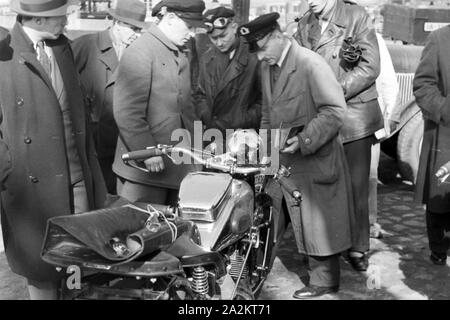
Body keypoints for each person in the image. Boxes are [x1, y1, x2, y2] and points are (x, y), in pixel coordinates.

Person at [239, 12, 354, 299]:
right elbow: (267, 114)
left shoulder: (310, 63)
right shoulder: (267, 68)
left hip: (313, 157)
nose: (259, 57)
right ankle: (252, 273)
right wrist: (265, 150)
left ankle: (324, 281)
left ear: (278, 37)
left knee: (318, 221)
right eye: (255, 51)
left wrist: (304, 139)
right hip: (282, 160)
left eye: (262, 48)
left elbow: (335, 111)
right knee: (270, 215)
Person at [0, 0, 106, 299]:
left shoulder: (61, 47)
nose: (67, 22)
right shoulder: (3, 55)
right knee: (43, 272)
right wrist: (9, 168)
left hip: (77, 179)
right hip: (32, 190)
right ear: (39, 20)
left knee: (78, 262)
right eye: (61, 17)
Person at [294, 0, 383, 271]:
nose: (311, 2)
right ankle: (326, 246)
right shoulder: (305, 22)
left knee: (356, 188)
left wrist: (332, 92)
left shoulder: (356, 16)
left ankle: (357, 248)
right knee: (321, 186)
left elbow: (370, 66)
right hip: (320, 117)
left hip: (353, 117)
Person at [112, 0, 205, 205]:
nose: (191, 34)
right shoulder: (141, 50)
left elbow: (188, 105)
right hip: (147, 170)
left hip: (179, 164)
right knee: (139, 231)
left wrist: (200, 144)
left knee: (175, 231)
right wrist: (147, 151)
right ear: (171, 18)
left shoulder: (182, 49)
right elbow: (127, 111)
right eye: (189, 27)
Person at [72, 0, 148, 195]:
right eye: (131, 27)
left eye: (139, 29)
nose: (135, 34)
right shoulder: (86, 45)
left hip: (120, 140)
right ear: (115, 22)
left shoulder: (138, 51)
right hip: (91, 138)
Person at [194, 6, 261, 140]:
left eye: (223, 36)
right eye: (213, 38)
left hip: (245, 136)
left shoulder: (255, 56)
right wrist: (207, 117)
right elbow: (199, 94)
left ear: (234, 27)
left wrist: (241, 120)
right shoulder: (206, 58)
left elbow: (265, 100)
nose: (219, 43)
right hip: (214, 133)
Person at [413, 25, 450, 266]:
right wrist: (446, 110)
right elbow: (423, 86)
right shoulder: (440, 39)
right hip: (447, 135)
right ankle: (439, 249)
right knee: (441, 200)